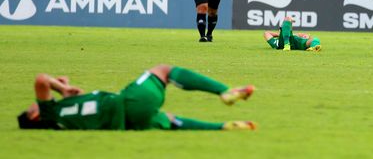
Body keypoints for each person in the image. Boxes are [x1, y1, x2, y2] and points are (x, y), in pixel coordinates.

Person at [17, 64, 256, 131]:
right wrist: (60, 88)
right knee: (164, 70)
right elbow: (40, 79)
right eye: (33, 106)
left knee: (170, 120)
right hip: (127, 103)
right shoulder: (48, 113)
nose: (35, 103)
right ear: (35, 115)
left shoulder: (58, 118)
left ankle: (224, 127)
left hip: (127, 122)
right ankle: (224, 91)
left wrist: (64, 89)